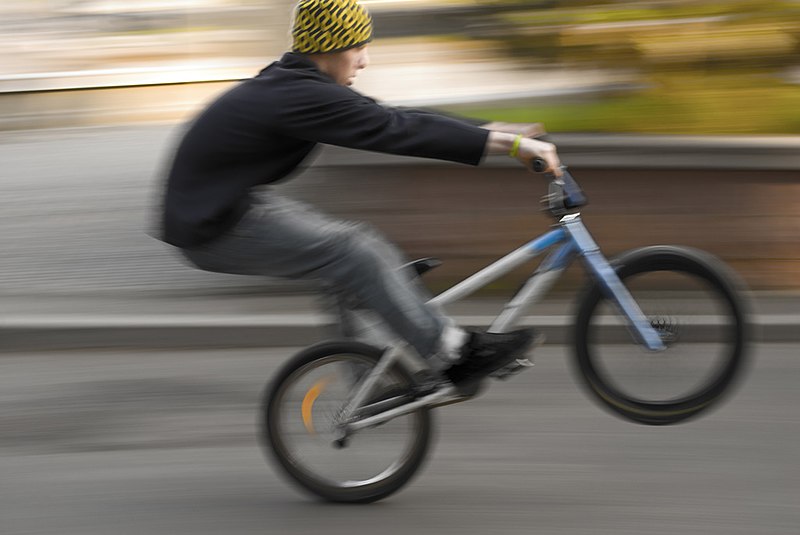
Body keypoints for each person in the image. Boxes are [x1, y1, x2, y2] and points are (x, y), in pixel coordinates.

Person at [159, 0, 563, 391]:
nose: (364, 60)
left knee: (353, 251)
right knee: (352, 250)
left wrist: (492, 129)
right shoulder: (302, 96)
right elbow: (399, 130)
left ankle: (364, 378)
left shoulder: (296, 84)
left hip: (226, 203)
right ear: (330, 47)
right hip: (210, 224)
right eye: (358, 46)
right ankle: (453, 354)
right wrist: (510, 147)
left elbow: (397, 116)